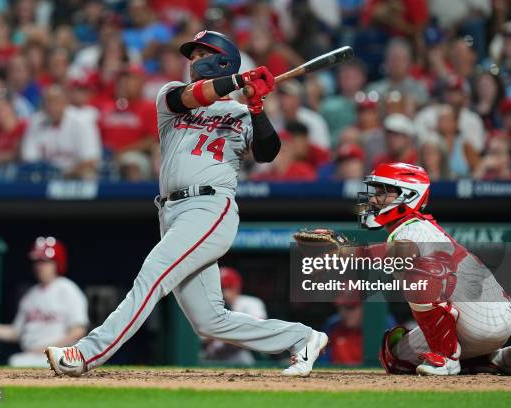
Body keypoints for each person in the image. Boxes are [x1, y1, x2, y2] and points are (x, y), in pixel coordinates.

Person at [45, 30, 327, 378]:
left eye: (199, 55)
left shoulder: (240, 114)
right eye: (191, 56)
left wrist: (256, 106)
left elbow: (268, 153)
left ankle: (87, 353)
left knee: (152, 275)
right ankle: (302, 338)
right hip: (171, 211)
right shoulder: (170, 96)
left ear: (222, 60)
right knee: (209, 320)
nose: (192, 61)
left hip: (210, 205)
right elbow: (189, 98)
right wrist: (238, 80)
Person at [355, 162, 511, 375]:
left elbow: (403, 252)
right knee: (395, 358)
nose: (373, 199)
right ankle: (492, 358)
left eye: (382, 192)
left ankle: (446, 357)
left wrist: (344, 253)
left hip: (482, 318)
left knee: (421, 273)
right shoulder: (415, 227)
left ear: (408, 195)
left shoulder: (415, 228)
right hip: (486, 323)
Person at [0, 237, 88, 367]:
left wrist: (48, 349)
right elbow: (14, 332)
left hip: (61, 356)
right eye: (37, 261)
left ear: (57, 263)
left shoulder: (67, 289)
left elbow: (78, 330)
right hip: (30, 357)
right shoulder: (30, 296)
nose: (39, 266)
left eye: (45, 261)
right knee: (15, 361)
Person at [21, 84, 101, 179]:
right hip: (44, 176)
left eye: (56, 101)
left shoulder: (82, 122)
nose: (51, 107)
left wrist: (63, 174)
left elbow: (91, 160)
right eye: (47, 102)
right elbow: (29, 158)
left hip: (75, 176)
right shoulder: (35, 122)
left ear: (65, 102)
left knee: (88, 174)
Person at [201, 267, 268, 366]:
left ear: (237, 288)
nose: (222, 293)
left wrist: (222, 334)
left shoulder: (250, 303)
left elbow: (258, 328)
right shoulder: (206, 308)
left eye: (226, 288)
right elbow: (203, 339)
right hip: (215, 357)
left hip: (242, 356)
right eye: (219, 289)